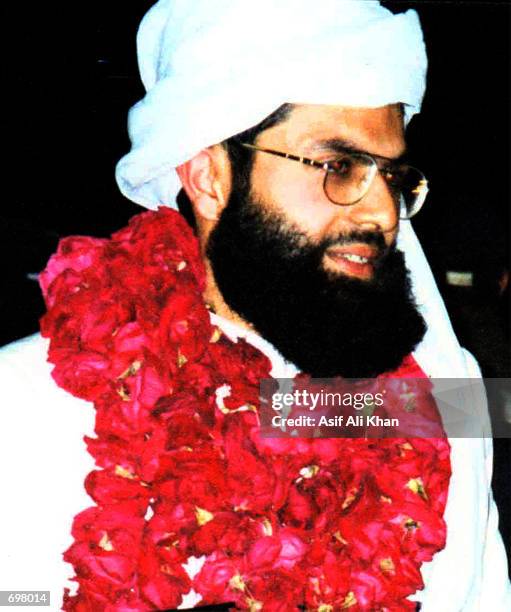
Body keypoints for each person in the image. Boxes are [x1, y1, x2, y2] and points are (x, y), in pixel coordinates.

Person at [0, 1, 509, 610]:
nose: (380, 212)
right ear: (210, 178)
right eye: (339, 165)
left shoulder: (446, 396)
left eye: (393, 177)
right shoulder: (21, 400)